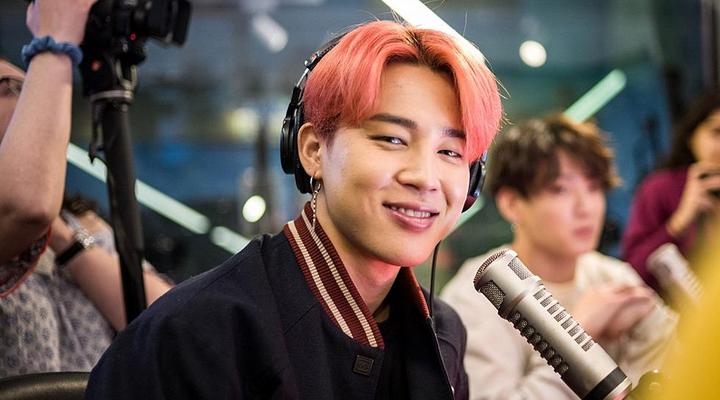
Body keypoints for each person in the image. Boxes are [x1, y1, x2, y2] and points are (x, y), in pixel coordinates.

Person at [85, 20, 503, 399]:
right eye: (391, 139)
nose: (425, 177)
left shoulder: (442, 333)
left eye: (451, 152)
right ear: (313, 151)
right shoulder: (197, 332)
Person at [441, 115, 677, 400]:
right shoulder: (481, 293)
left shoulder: (613, 277)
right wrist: (578, 334)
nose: (585, 207)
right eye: (560, 190)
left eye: (593, 188)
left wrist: (646, 334)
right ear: (512, 203)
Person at [0, 0, 172, 378]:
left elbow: (170, 323)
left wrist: (66, 239)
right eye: (8, 87)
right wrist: (53, 41)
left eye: (28, 84)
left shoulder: (82, 223)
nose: (29, 95)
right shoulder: (20, 218)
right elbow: (26, 206)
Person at [621, 92, 720, 290]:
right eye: (717, 132)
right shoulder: (661, 188)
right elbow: (630, 276)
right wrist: (679, 221)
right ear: (691, 136)